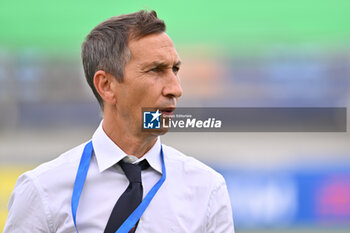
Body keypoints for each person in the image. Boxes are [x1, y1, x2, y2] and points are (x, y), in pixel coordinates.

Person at [4, 10, 234, 233]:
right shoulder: (42, 189)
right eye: (156, 70)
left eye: (175, 69)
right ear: (106, 86)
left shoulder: (207, 189)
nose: (176, 89)